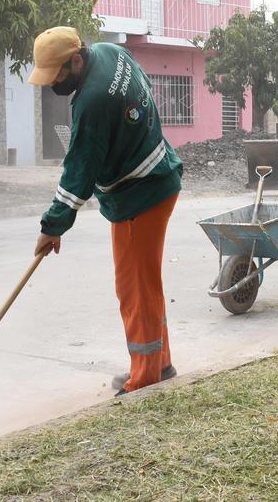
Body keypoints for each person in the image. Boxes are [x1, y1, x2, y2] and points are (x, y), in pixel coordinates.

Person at [27, 27, 183, 396]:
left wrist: (53, 226)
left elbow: (79, 169)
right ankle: (159, 363)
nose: (53, 86)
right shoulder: (111, 53)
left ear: (75, 60)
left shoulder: (92, 100)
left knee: (135, 289)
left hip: (140, 196)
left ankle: (145, 377)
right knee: (145, 282)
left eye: (56, 76)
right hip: (156, 178)